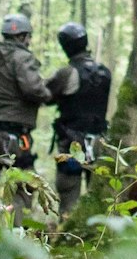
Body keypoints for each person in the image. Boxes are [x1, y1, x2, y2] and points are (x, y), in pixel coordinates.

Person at [0, 13, 51, 219]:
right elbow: (33, 89)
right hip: (16, 137)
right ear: (22, 36)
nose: (29, 41)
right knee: (23, 190)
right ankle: (17, 248)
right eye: (28, 37)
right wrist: (49, 94)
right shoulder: (21, 58)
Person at [45, 22, 112, 216]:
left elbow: (45, 95)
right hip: (100, 141)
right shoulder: (104, 72)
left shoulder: (67, 73)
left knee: (68, 199)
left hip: (73, 143)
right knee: (100, 198)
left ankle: (68, 238)